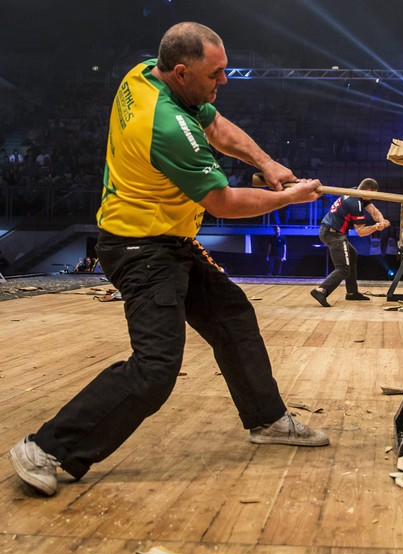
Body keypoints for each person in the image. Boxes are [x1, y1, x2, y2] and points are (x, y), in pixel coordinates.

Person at [9, 22, 329, 497]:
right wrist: (291, 199)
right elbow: (222, 203)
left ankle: (267, 420)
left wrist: (265, 163)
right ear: (181, 72)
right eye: (215, 75)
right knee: (156, 368)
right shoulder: (166, 127)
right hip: (141, 250)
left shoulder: (142, 73)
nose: (224, 82)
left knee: (232, 315)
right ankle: (45, 447)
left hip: (167, 240)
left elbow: (214, 122)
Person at [310, 178, 390, 307]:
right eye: (373, 194)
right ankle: (321, 290)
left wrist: (382, 221)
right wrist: (376, 227)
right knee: (343, 269)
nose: (373, 197)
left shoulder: (355, 191)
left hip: (331, 231)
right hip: (333, 234)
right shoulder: (355, 204)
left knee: (352, 255)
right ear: (368, 191)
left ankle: (352, 293)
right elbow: (361, 232)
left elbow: (374, 212)